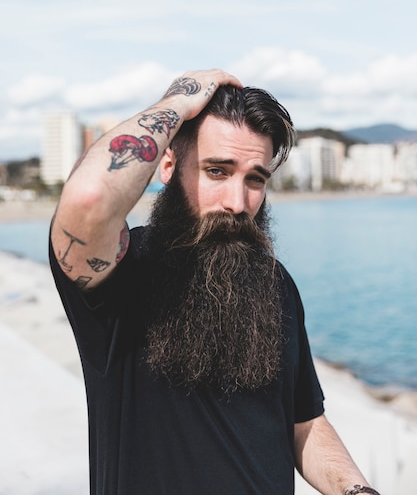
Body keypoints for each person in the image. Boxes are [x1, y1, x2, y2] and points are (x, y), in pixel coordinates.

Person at [50, 69, 380, 495]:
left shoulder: (275, 284)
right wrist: (180, 101)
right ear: (167, 164)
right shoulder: (120, 272)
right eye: (218, 171)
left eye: (255, 179)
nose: (238, 203)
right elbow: (88, 197)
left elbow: (304, 422)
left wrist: (357, 490)